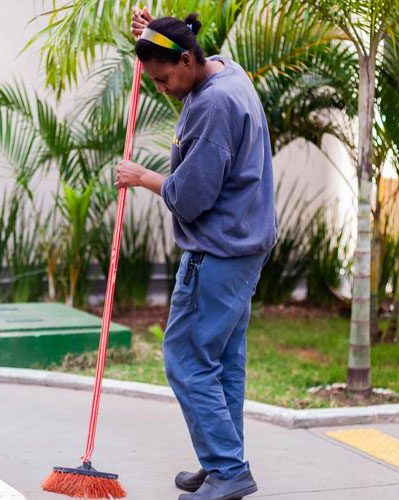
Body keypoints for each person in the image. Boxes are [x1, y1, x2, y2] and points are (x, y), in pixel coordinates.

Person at [115, 8, 277, 500]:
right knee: (223, 360)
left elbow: (189, 196)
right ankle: (225, 463)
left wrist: (141, 177)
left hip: (219, 250)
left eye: (164, 79)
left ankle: (229, 471)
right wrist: (152, 36)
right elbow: (186, 88)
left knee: (186, 358)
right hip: (244, 246)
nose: (162, 89)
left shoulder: (213, 106)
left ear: (187, 59)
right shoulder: (222, 71)